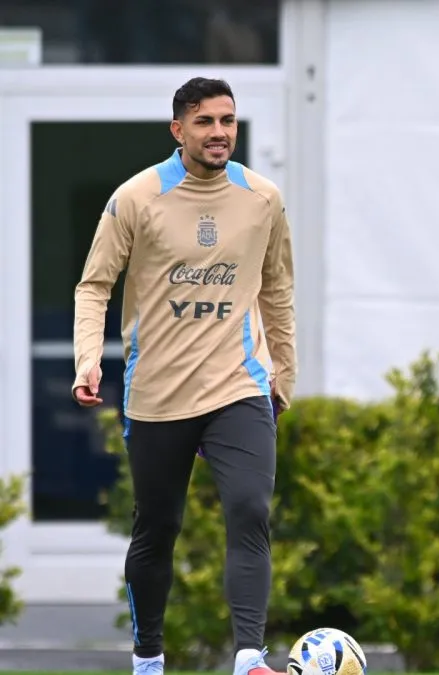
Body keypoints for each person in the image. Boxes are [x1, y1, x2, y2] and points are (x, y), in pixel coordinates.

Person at [72, 77, 296, 675]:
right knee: (157, 529)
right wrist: (88, 359)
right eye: (205, 121)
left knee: (250, 509)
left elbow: (277, 290)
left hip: (238, 385)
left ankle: (250, 655)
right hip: (158, 394)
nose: (219, 132)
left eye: (228, 120)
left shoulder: (262, 198)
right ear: (178, 130)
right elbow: (94, 286)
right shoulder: (136, 199)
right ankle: (149, 659)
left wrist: (284, 376)